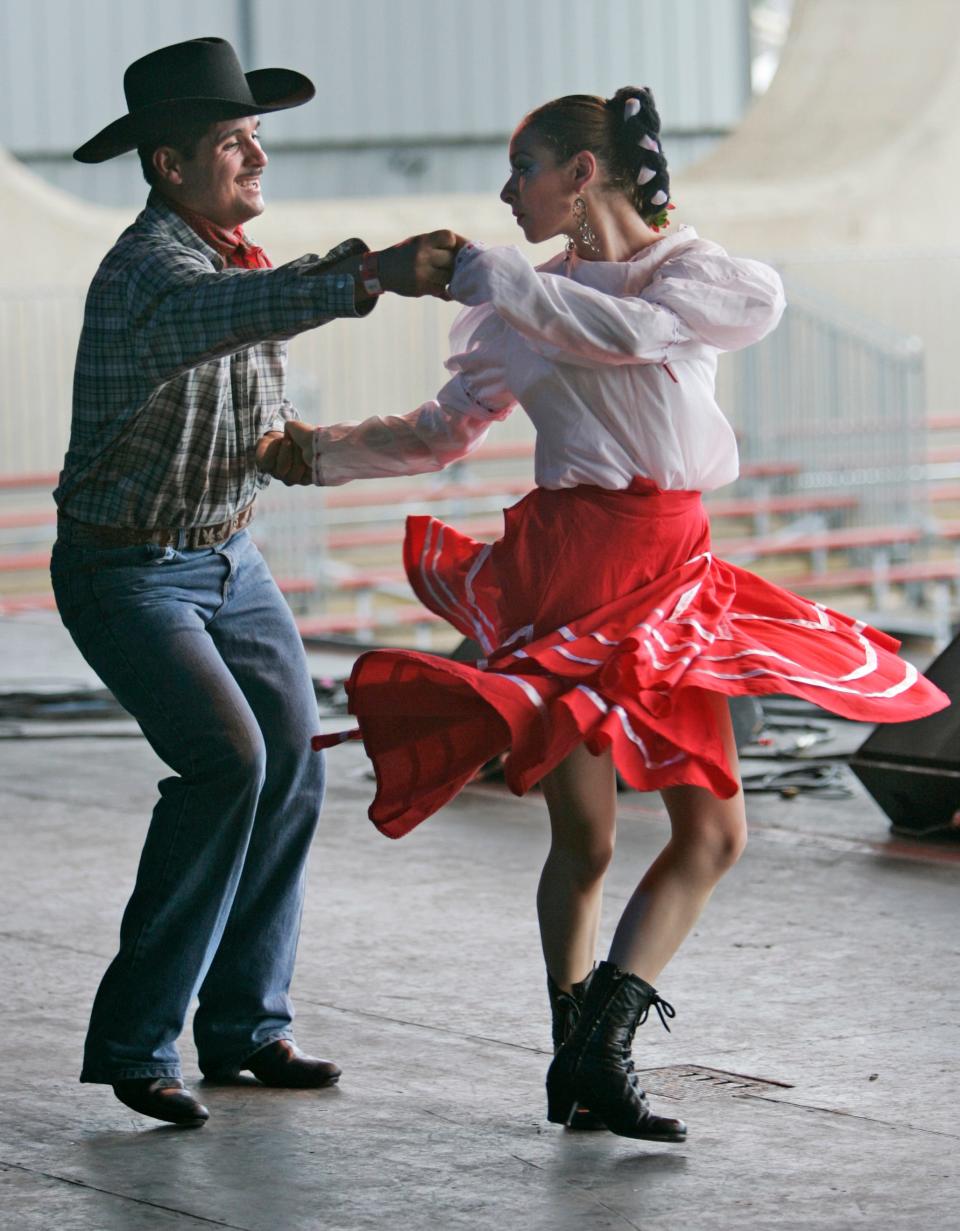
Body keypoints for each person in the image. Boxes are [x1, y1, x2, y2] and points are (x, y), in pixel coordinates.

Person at [285, 86, 949, 1142]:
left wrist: (479, 269)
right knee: (587, 841)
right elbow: (442, 428)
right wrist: (314, 454)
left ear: (583, 174)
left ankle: (593, 1049)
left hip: (672, 567)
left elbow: (625, 332)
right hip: (573, 565)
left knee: (711, 831)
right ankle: (583, 1058)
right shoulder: (517, 302)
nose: (508, 194)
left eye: (526, 170)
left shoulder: (692, 280)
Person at [51, 36, 458, 1128]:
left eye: (256, 137)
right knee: (229, 760)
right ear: (167, 166)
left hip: (225, 554)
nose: (256, 156)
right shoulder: (150, 275)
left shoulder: (237, 263)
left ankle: (244, 1027)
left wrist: (301, 447)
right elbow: (223, 321)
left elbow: (250, 403)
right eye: (232, 142)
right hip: (124, 571)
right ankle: (139, 1041)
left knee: (290, 764)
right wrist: (372, 272)